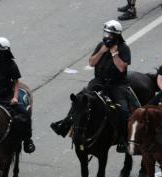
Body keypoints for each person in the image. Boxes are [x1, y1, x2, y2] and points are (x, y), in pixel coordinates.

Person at [51, 21, 132, 150]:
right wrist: (101, 51)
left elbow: (122, 68)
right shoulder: (101, 45)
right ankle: (65, 125)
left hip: (116, 85)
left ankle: (124, 139)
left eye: (110, 34)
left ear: (116, 35)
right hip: (99, 81)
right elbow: (91, 63)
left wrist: (114, 53)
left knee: (123, 110)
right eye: (106, 33)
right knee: (79, 100)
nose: (107, 37)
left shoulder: (123, 48)